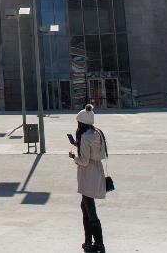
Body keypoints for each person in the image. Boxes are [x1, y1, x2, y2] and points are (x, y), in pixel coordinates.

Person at [69, 104, 107, 252]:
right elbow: (98, 153)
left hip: (87, 175)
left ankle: (98, 243)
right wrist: (79, 145)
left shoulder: (85, 137)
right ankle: (88, 242)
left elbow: (84, 161)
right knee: (85, 208)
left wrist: (74, 157)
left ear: (81, 123)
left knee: (90, 211)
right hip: (97, 171)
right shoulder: (97, 133)